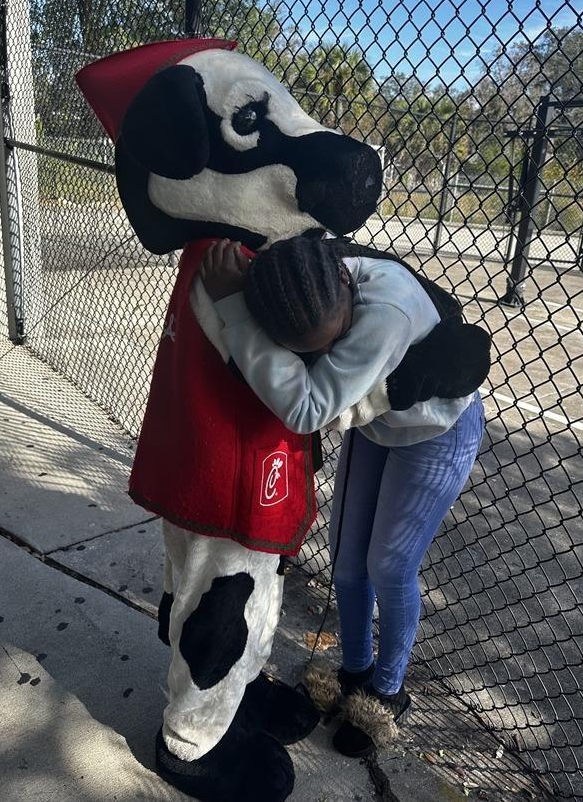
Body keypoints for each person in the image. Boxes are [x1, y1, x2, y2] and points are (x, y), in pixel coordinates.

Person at [199, 235, 486, 758]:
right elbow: (316, 392)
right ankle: (356, 671)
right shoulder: (303, 284)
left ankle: (388, 691)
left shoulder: (386, 312)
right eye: (315, 354)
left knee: (390, 566)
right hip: (379, 428)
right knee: (347, 563)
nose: (333, 360)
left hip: (438, 430)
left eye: (337, 340)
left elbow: (309, 409)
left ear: (348, 284)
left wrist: (232, 309)